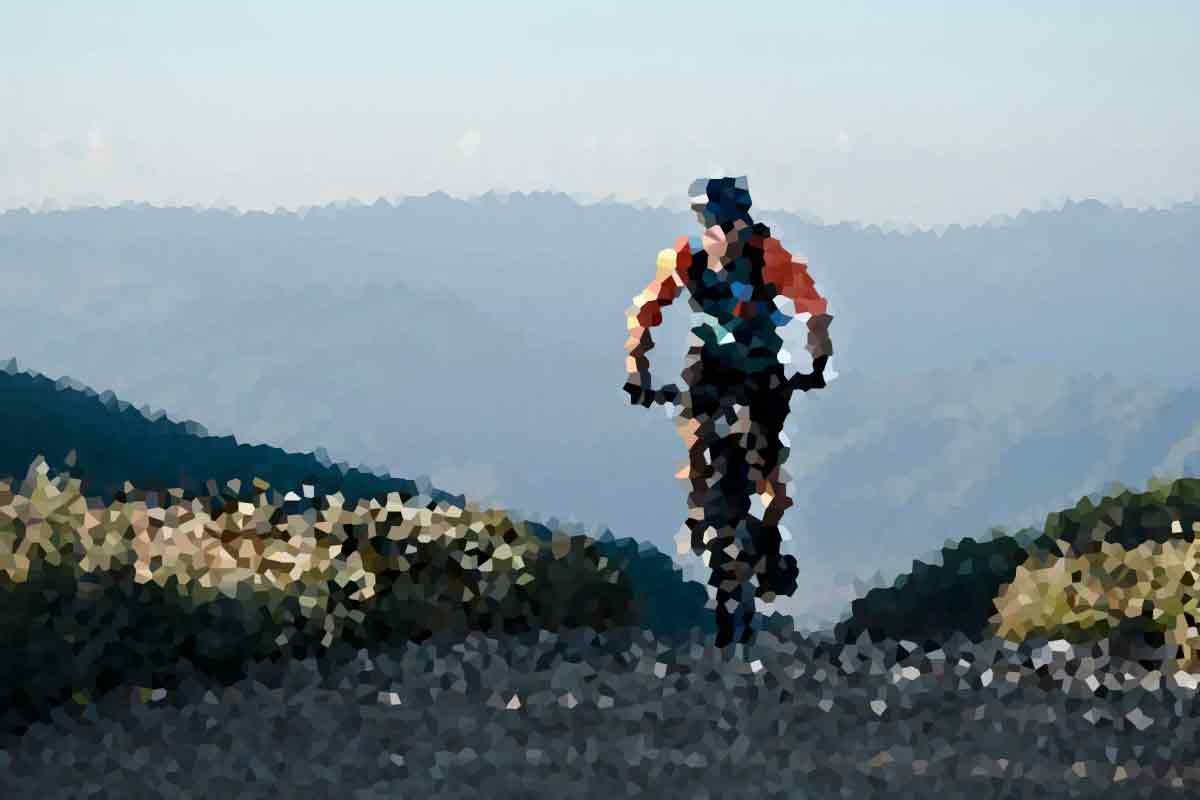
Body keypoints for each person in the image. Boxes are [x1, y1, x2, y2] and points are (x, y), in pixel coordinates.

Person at [623, 176, 834, 647]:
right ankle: (763, 540)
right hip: (752, 378)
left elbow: (646, 312)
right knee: (767, 472)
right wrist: (818, 362)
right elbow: (814, 310)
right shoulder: (764, 252)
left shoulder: (690, 256)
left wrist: (638, 371)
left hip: (714, 378)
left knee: (712, 460)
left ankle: (714, 524)